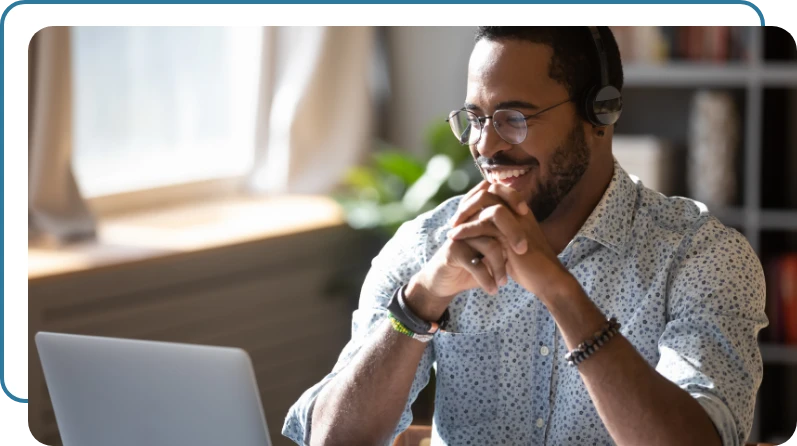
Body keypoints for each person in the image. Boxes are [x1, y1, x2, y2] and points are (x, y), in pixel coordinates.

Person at [282, 26, 768, 446]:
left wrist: (560, 291)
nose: (486, 146)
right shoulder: (428, 246)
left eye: (514, 119)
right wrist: (421, 301)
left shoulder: (702, 257)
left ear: (601, 113)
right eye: (475, 119)